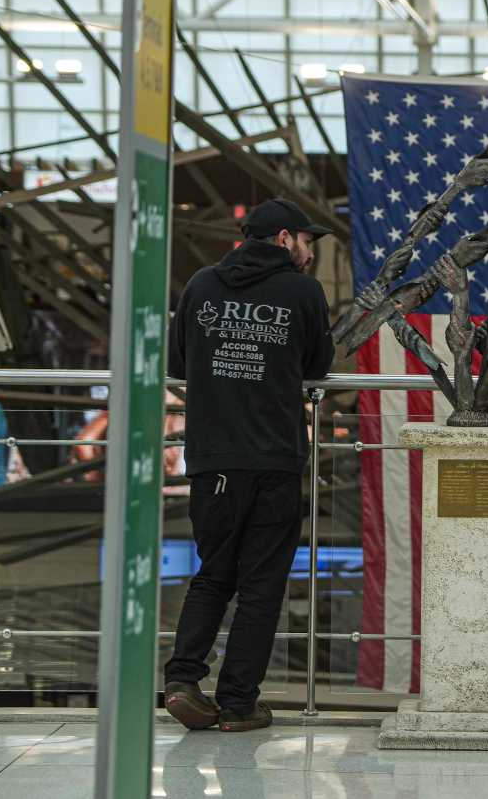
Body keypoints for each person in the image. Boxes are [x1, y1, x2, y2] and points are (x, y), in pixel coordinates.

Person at [164, 197, 335, 733]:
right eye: (307, 242)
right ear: (284, 239)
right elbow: (319, 365)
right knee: (261, 585)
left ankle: (182, 682)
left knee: (213, 574)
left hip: (212, 458)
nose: (309, 254)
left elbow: (179, 364)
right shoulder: (302, 292)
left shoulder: (201, 285)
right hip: (276, 459)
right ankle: (238, 704)